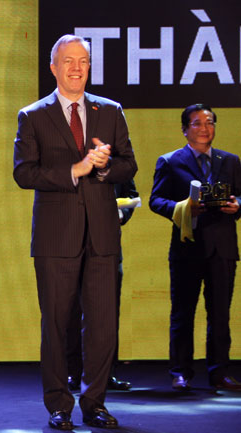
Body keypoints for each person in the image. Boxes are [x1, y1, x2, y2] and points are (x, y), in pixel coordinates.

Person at [13, 35, 137, 430]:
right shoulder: (32, 115)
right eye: (69, 60)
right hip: (55, 237)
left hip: (102, 236)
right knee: (56, 322)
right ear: (53, 67)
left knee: (102, 325)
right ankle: (58, 405)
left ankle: (95, 402)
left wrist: (103, 167)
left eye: (83, 60)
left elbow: (129, 165)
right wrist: (74, 170)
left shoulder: (110, 111)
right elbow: (23, 172)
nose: (77, 67)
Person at [149, 103, 241, 392]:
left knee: (220, 315)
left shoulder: (231, 161)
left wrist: (237, 205)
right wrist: (184, 208)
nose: (205, 128)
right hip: (187, 248)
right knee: (182, 313)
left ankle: (219, 373)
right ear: (185, 129)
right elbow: (156, 200)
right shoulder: (170, 161)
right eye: (197, 123)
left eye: (210, 122)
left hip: (222, 248)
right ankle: (180, 372)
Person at [67, 180, 138, 392]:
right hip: (71, 243)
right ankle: (74, 372)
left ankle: (106, 373)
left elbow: (131, 195)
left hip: (107, 247)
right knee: (73, 312)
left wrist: (122, 215)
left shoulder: (115, 158)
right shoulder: (69, 158)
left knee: (108, 314)